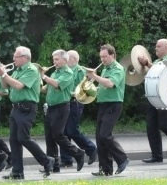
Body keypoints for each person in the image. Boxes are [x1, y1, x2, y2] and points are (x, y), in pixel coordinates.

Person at [0, 46, 54, 180]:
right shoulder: (17, 70)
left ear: (25, 58)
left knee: (23, 138)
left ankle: (46, 160)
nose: (13, 59)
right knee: (14, 140)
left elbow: (19, 86)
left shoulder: (31, 70)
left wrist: (4, 74)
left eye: (16, 57)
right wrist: (2, 75)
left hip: (27, 108)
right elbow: (5, 86)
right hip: (16, 108)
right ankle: (17, 172)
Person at [138, 39, 167, 163]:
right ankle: (156, 155)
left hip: (166, 97)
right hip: (153, 97)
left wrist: (147, 64)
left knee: (165, 125)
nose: (156, 48)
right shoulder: (156, 61)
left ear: (166, 48)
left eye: (158, 46)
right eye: (156, 46)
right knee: (151, 127)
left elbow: (164, 74)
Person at [85, 44, 129, 176]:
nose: (102, 59)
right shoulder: (105, 69)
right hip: (103, 104)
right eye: (101, 57)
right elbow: (102, 86)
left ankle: (122, 158)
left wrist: (95, 76)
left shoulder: (118, 69)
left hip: (113, 104)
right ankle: (105, 169)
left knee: (105, 134)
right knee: (99, 137)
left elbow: (110, 84)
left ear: (112, 55)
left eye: (104, 56)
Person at [42, 49, 85, 173]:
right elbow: (46, 88)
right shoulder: (55, 72)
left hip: (61, 107)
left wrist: (43, 76)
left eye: (56, 59)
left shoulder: (68, 73)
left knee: (58, 136)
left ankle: (78, 153)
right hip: (50, 107)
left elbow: (56, 84)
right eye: (53, 59)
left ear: (64, 60)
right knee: (49, 138)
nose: (53, 62)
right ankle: (52, 165)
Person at [58, 50, 97, 168]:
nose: (65, 60)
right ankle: (66, 160)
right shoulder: (65, 70)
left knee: (72, 130)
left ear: (74, 59)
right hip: (66, 101)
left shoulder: (80, 71)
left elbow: (84, 87)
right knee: (64, 131)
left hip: (76, 102)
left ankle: (91, 149)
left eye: (68, 58)